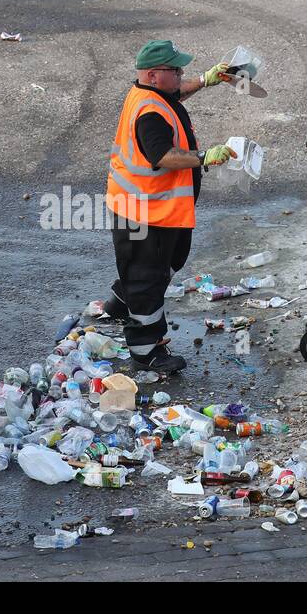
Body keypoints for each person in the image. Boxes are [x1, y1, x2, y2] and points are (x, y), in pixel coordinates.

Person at [103, 39, 236, 373]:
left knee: (164, 264)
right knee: (149, 279)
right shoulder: (149, 113)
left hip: (156, 210)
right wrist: (204, 157)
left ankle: (121, 300)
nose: (180, 74)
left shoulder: (153, 96)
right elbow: (161, 156)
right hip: (146, 214)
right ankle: (145, 349)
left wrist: (207, 80)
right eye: (175, 70)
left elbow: (175, 96)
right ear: (152, 75)